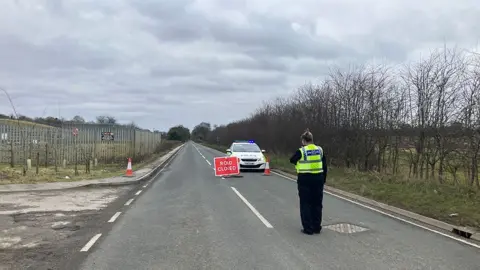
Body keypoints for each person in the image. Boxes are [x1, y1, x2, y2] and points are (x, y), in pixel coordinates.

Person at [289, 129, 327, 235]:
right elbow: (324, 165)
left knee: (306, 203)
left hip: (305, 179)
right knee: (317, 204)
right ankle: (317, 227)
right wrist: (323, 179)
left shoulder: (301, 151)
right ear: (312, 139)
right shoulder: (320, 150)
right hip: (318, 179)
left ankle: (308, 229)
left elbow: (292, 160)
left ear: (303, 141)